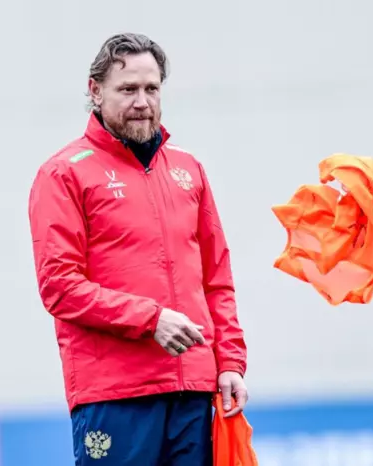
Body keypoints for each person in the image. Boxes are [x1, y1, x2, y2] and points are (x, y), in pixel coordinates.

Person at [28, 33, 248, 465]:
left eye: (152, 88)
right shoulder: (63, 174)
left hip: (193, 391)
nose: (142, 102)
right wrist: (151, 319)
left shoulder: (188, 169)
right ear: (95, 91)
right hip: (115, 394)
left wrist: (230, 363)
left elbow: (217, 281)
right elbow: (59, 286)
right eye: (128, 89)